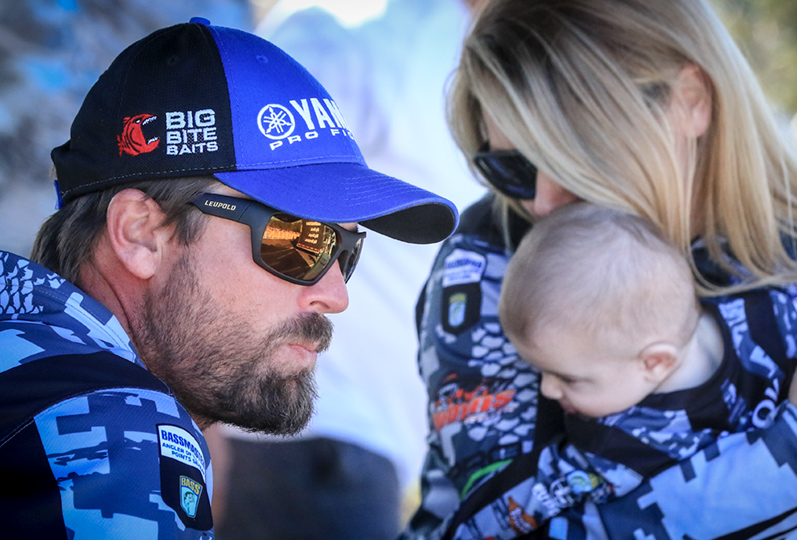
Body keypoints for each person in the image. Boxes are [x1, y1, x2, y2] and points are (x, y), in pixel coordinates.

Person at [402, 0, 797, 538]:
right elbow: (496, 530)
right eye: (512, 167)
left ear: (690, 100)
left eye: (579, 156)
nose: (544, 204)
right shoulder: (491, 260)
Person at [0, 17, 458, 540]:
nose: (335, 296)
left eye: (346, 252)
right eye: (296, 240)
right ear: (141, 234)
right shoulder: (111, 427)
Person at [209, 2, 487, 539]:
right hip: (291, 445)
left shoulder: (509, 78)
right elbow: (215, 195)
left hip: (355, 454)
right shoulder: (371, 45)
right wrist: (196, 419)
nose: (338, 291)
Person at [465, 201, 797, 538]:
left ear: (655, 362)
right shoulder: (769, 316)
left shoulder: (614, 444)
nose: (547, 390)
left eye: (567, 377)